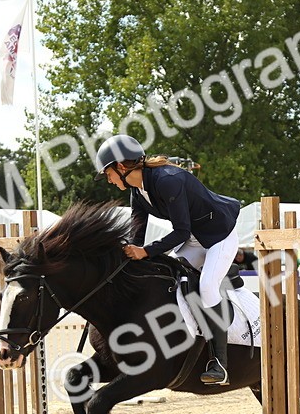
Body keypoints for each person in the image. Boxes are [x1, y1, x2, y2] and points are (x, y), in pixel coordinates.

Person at [97, 134, 240, 386]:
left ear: (120, 166)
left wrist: (145, 251)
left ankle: (220, 363)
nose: (108, 180)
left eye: (107, 173)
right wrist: (124, 252)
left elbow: (181, 232)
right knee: (171, 277)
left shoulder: (167, 181)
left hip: (219, 237)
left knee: (207, 286)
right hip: (196, 239)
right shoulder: (137, 191)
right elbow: (136, 235)